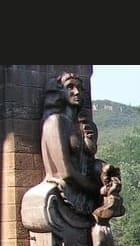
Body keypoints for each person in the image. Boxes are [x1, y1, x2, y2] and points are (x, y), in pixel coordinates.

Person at [40, 71, 105, 216]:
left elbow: (88, 163)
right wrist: (98, 189)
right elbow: (65, 172)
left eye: (80, 88)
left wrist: (105, 171)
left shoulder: (87, 127)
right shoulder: (55, 122)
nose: (77, 92)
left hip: (86, 200)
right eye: (70, 87)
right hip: (65, 195)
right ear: (59, 92)